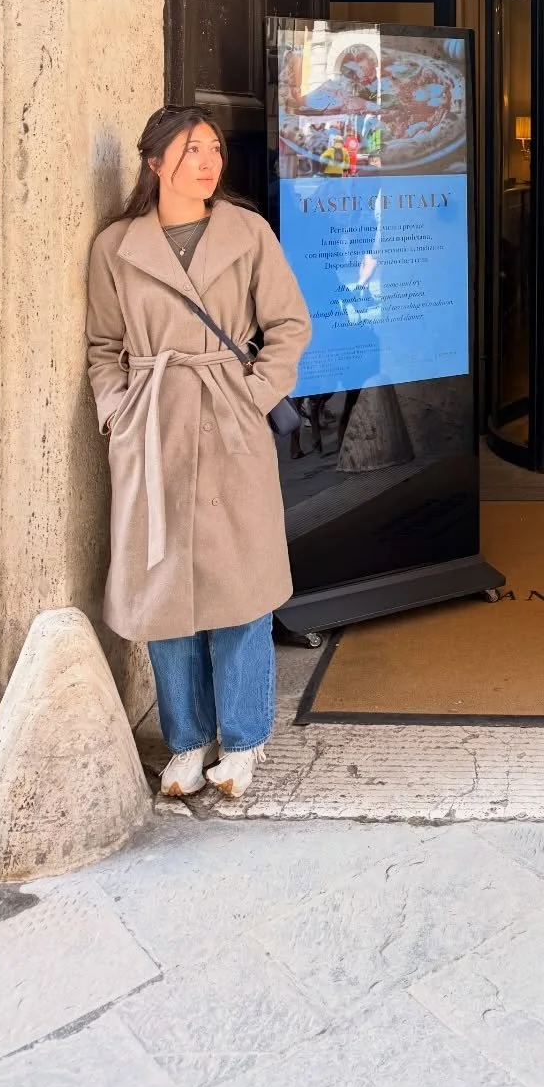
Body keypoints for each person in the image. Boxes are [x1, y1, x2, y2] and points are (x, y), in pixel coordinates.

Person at [86, 106, 312, 801]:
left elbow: (289, 324)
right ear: (154, 163)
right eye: (191, 150)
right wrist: (119, 414)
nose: (209, 161)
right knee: (162, 587)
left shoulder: (247, 232)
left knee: (241, 584)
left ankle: (243, 740)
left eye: (214, 148)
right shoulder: (116, 246)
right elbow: (103, 347)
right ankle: (186, 739)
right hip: (154, 424)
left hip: (229, 420)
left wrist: (251, 395)